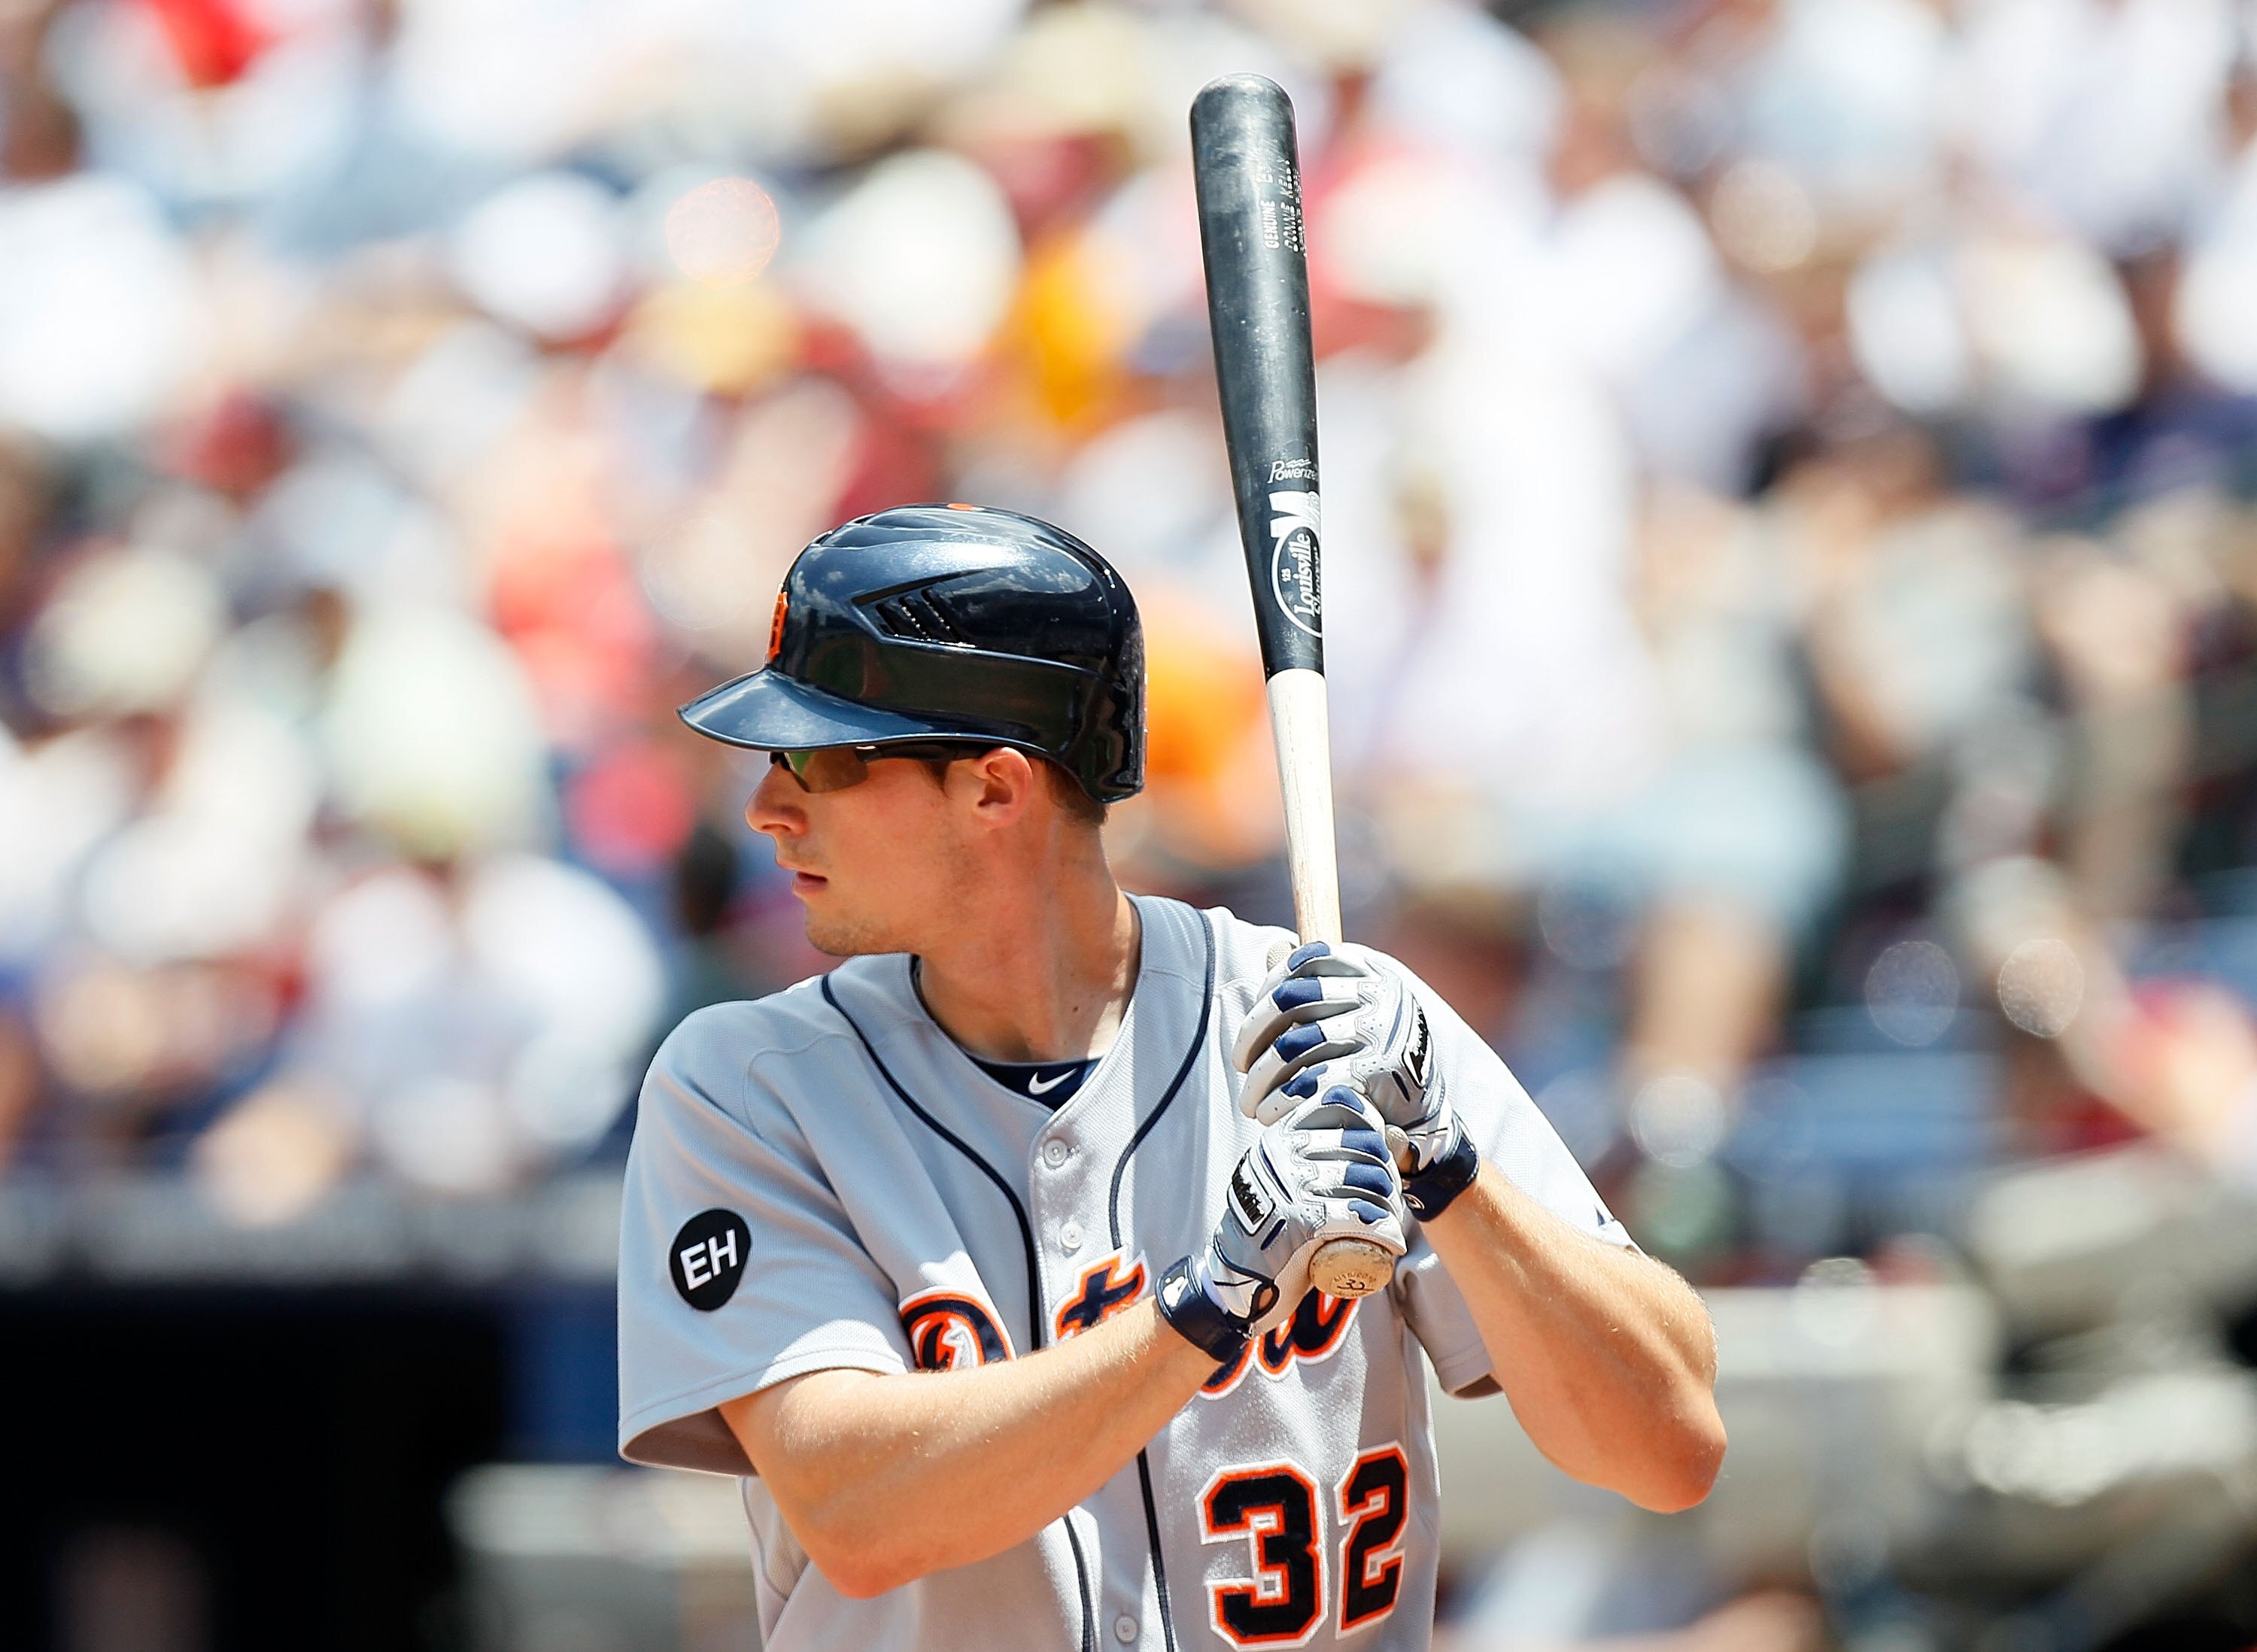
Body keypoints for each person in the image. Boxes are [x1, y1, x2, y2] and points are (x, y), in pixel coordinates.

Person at [616, 505, 1724, 1651]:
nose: (766, 806)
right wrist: (1211, 1298)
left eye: (823, 758)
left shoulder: (1328, 1023)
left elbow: (1668, 1446)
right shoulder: (749, 1087)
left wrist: (1447, 1168)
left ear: (997, 790)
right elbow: (857, 1511)